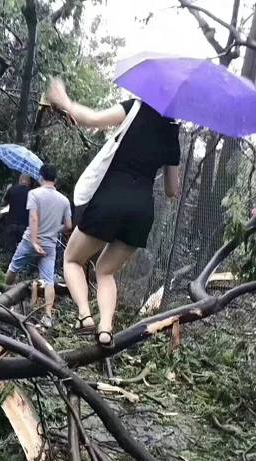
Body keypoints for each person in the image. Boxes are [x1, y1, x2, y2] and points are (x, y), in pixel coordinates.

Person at [46, 77, 181, 348]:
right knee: (105, 271)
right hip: (142, 211)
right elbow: (171, 190)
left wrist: (66, 102)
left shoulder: (135, 108)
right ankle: (106, 329)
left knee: (72, 259)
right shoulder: (172, 135)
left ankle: (85, 316)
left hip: (111, 198)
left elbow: (93, 119)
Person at [6, 164, 72, 328]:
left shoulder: (34, 194)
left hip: (30, 241)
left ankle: (5, 301)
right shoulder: (64, 200)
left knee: (13, 268)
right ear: (55, 179)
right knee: (49, 280)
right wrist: (55, 230)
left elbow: (33, 218)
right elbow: (68, 225)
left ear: (41, 177)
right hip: (50, 244)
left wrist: (35, 241)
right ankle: (48, 316)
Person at [3, 174, 32, 254]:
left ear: (20, 180)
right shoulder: (31, 193)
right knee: (22, 249)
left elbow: (4, 203)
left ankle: (8, 264)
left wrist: (7, 191)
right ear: (29, 182)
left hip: (11, 223)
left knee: (9, 249)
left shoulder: (12, 189)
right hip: (24, 225)